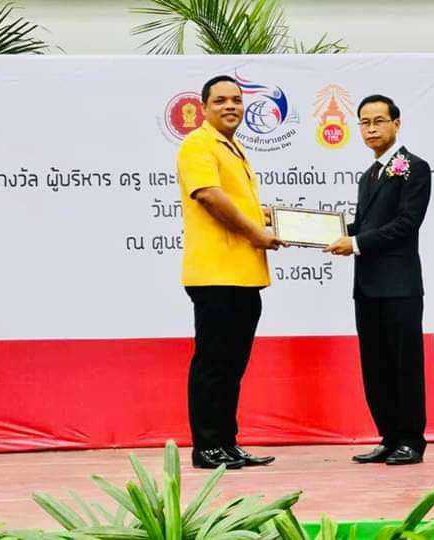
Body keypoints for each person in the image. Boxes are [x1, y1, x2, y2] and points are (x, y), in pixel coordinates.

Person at [177, 75, 284, 469]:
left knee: (231, 367)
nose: (230, 107)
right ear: (204, 108)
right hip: (216, 275)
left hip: (243, 275)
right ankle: (207, 447)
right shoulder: (198, 144)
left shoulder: (233, 147)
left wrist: (269, 218)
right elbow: (209, 196)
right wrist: (257, 231)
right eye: (220, 100)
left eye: (236, 100)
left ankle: (227, 443)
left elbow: (237, 203)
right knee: (213, 365)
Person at [324, 94, 431, 465]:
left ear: (396, 124)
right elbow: (365, 226)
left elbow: (406, 224)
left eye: (379, 121)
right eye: (365, 123)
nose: (371, 129)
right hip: (367, 286)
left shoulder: (414, 168)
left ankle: (411, 440)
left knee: (404, 365)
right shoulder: (368, 175)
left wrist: (354, 243)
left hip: (400, 286)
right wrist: (321, 232)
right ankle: (389, 437)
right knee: (375, 365)